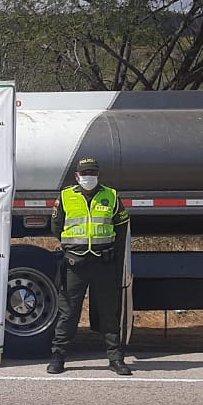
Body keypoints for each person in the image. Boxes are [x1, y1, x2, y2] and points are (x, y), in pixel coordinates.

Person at [47, 157, 132, 376]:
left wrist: (115, 255)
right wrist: (71, 246)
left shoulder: (111, 195)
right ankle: (58, 356)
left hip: (103, 262)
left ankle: (115, 358)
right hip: (75, 264)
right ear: (77, 176)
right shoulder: (66, 196)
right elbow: (56, 226)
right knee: (68, 313)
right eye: (85, 173)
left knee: (109, 312)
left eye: (92, 172)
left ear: (98, 174)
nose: (89, 176)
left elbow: (121, 226)